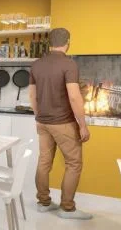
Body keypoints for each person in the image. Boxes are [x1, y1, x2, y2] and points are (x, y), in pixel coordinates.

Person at [28, 28, 93, 220]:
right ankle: (67, 208)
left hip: (43, 122)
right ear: (68, 42)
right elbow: (74, 97)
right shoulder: (69, 64)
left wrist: (39, 116)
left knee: (44, 162)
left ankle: (43, 203)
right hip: (63, 123)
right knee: (74, 163)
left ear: (49, 42)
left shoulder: (37, 64)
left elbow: (32, 95)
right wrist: (82, 125)